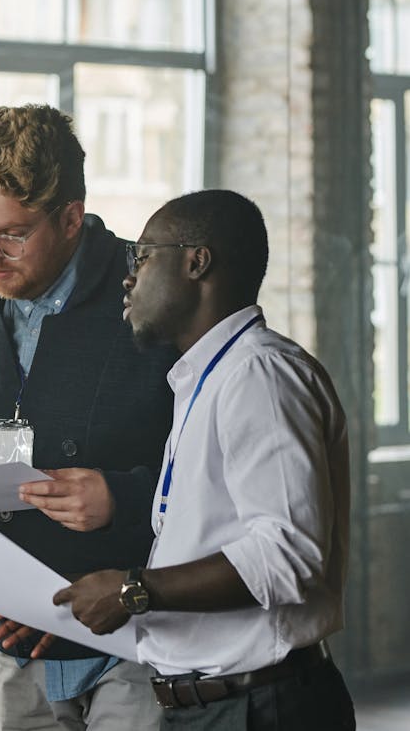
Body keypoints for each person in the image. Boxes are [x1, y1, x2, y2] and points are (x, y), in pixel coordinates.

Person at [0, 104, 176, 730]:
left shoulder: (155, 300)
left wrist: (123, 497)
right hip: (16, 640)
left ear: (72, 218)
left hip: (140, 637)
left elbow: (225, 470)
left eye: (12, 235)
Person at [55, 189, 355, 730]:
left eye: (142, 257)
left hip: (260, 708)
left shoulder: (257, 375)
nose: (129, 277)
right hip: (215, 704)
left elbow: (288, 557)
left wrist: (132, 590)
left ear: (197, 261)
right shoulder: (207, 378)